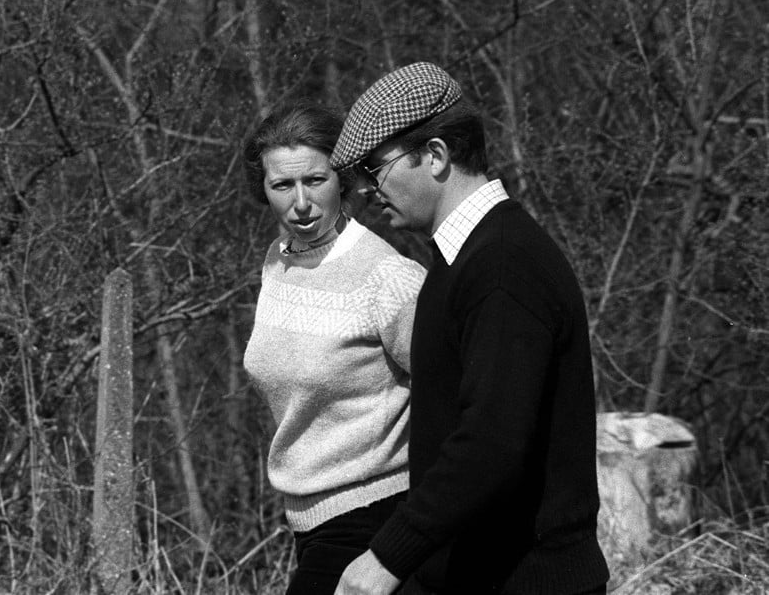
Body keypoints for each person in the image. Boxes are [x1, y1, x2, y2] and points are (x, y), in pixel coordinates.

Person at [329, 62, 610, 594]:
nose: (366, 190)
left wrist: (386, 560)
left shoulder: (502, 266)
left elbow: (491, 442)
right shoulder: (464, 260)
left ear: (435, 155)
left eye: (375, 168)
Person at [241, 103, 427, 595]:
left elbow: (458, 399)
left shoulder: (387, 278)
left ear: (342, 179)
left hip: (374, 517)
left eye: (315, 181)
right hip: (305, 521)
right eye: (283, 186)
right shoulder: (277, 263)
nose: (301, 203)